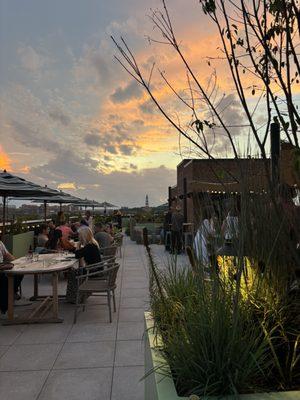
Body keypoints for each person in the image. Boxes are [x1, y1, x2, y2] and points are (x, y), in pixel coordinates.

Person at [66, 228, 101, 303]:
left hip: (93, 271)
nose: (79, 237)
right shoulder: (93, 244)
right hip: (95, 269)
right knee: (76, 271)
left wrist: (78, 245)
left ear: (83, 236)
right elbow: (80, 254)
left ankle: (74, 297)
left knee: (72, 273)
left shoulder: (89, 246)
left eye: (80, 236)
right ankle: (80, 295)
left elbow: (77, 254)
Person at [0, 241, 23, 317]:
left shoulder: (0, 243)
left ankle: (12, 293)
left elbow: (6, 254)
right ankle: (4, 310)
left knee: (19, 272)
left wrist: (17, 262)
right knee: (4, 281)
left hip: (2, 266)